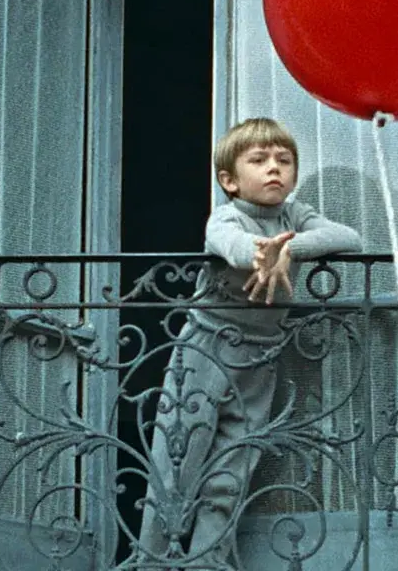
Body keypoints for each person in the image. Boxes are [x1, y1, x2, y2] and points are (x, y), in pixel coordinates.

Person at [134, 117, 362, 569]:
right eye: (258, 161)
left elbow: (349, 237)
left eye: (284, 160)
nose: (273, 168)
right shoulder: (226, 215)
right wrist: (261, 252)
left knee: (232, 471)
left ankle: (205, 562)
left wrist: (289, 249)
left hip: (261, 356)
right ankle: (150, 562)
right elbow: (229, 244)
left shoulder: (295, 217)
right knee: (175, 464)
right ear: (230, 181)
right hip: (204, 351)